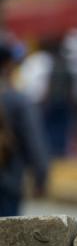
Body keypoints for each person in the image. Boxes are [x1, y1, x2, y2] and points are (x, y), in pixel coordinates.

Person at [0, 40, 48, 216]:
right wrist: (41, 178)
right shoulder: (17, 101)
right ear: (9, 64)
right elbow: (33, 140)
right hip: (8, 183)